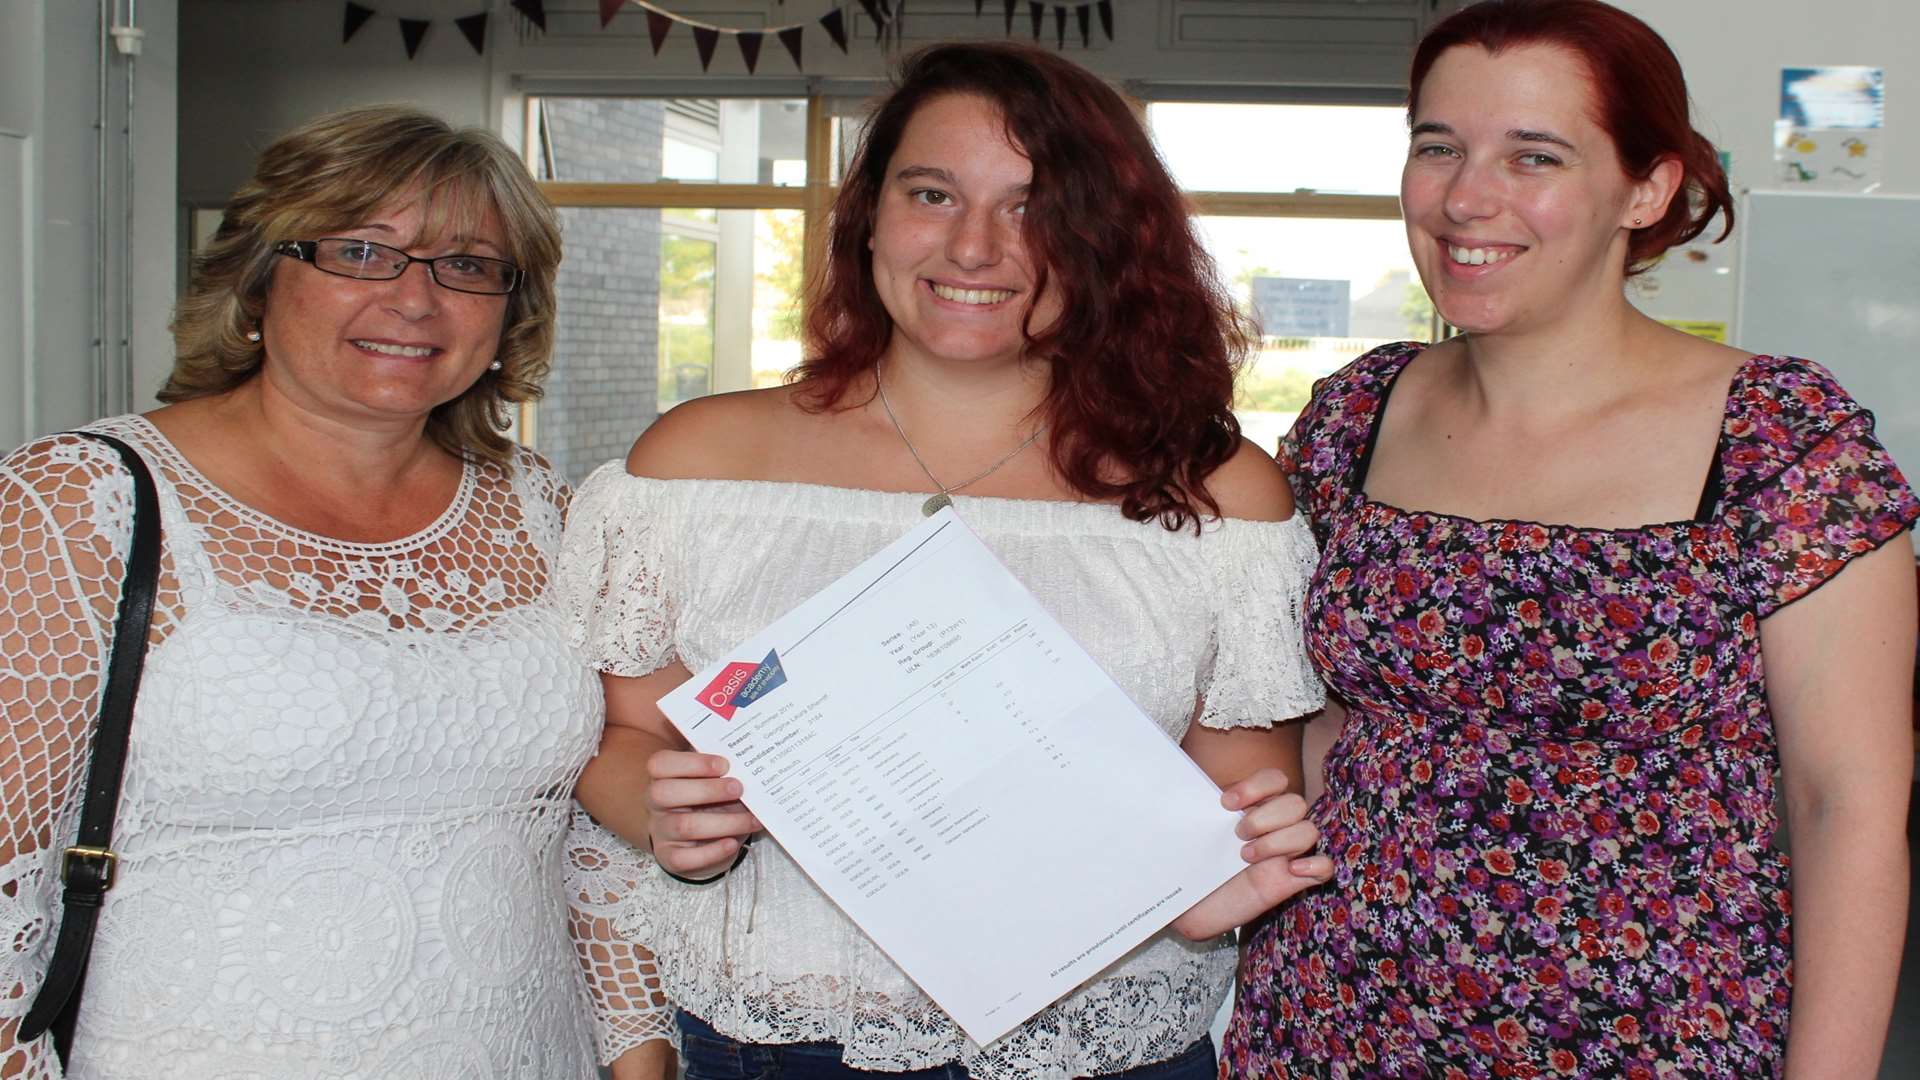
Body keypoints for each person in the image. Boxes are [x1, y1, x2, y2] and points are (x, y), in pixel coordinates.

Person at [558, 41, 1333, 1080]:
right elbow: (620, 734)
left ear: (1110, 240)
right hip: (772, 1041)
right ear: (870, 214)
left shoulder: (1219, 497)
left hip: (1105, 1050)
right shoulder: (697, 467)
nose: (975, 246)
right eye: (933, 193)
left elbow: (1236, 796)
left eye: (1032, 205)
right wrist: (654, 814)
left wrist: (1220, 874)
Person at [1223, 2, 1919, 1076]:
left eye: (1532, 155)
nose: (1465, 197)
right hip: (1332, 1016)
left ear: (1646, 187)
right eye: (1437, 146)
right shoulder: (1353, 416)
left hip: (1652, 1032)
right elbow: (1318, 734)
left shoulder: (1780, 439)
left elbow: (1849, 807)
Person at [0, 105, 671, 1078]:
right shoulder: (81, 504)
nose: (416, 300)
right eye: (363, 252)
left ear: (507, 312)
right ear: (262, 277)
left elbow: (585, 844)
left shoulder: (545, 510)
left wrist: (640, 1064)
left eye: (469, 265)